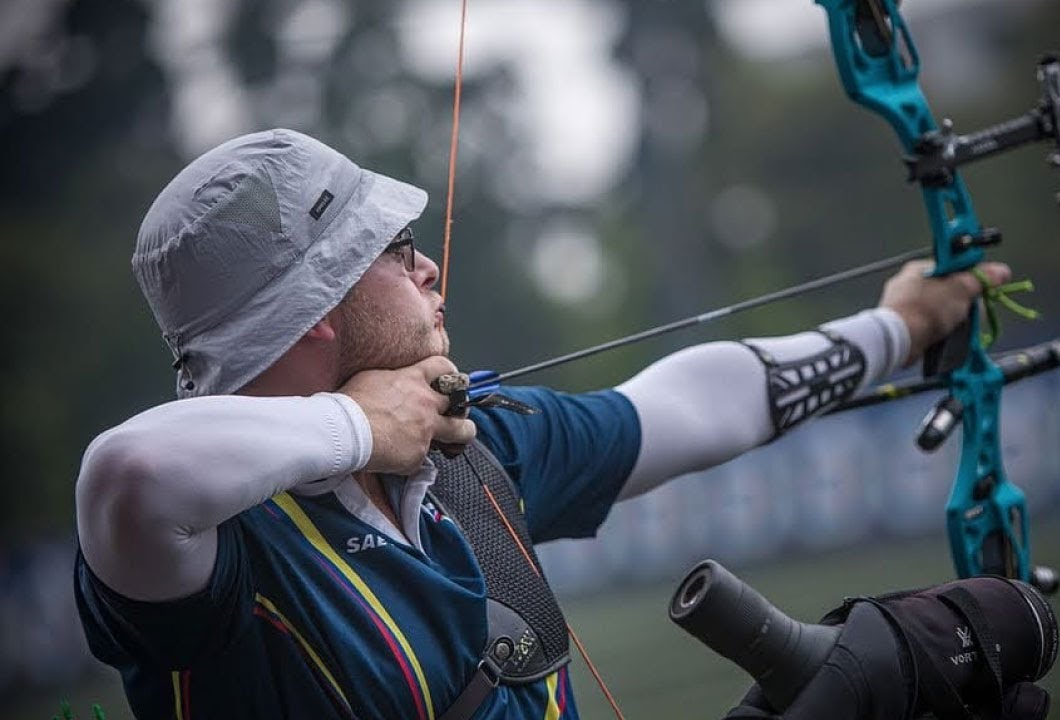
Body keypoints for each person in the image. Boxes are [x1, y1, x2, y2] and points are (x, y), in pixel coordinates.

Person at [73, 129, 1009, 720]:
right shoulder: (218, 552)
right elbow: (128, 475)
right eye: (396, 254)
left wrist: (901, 326)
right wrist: (356, 424)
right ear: (319, 306)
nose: (429, 270)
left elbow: (688, 405)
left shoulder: (466, 450)